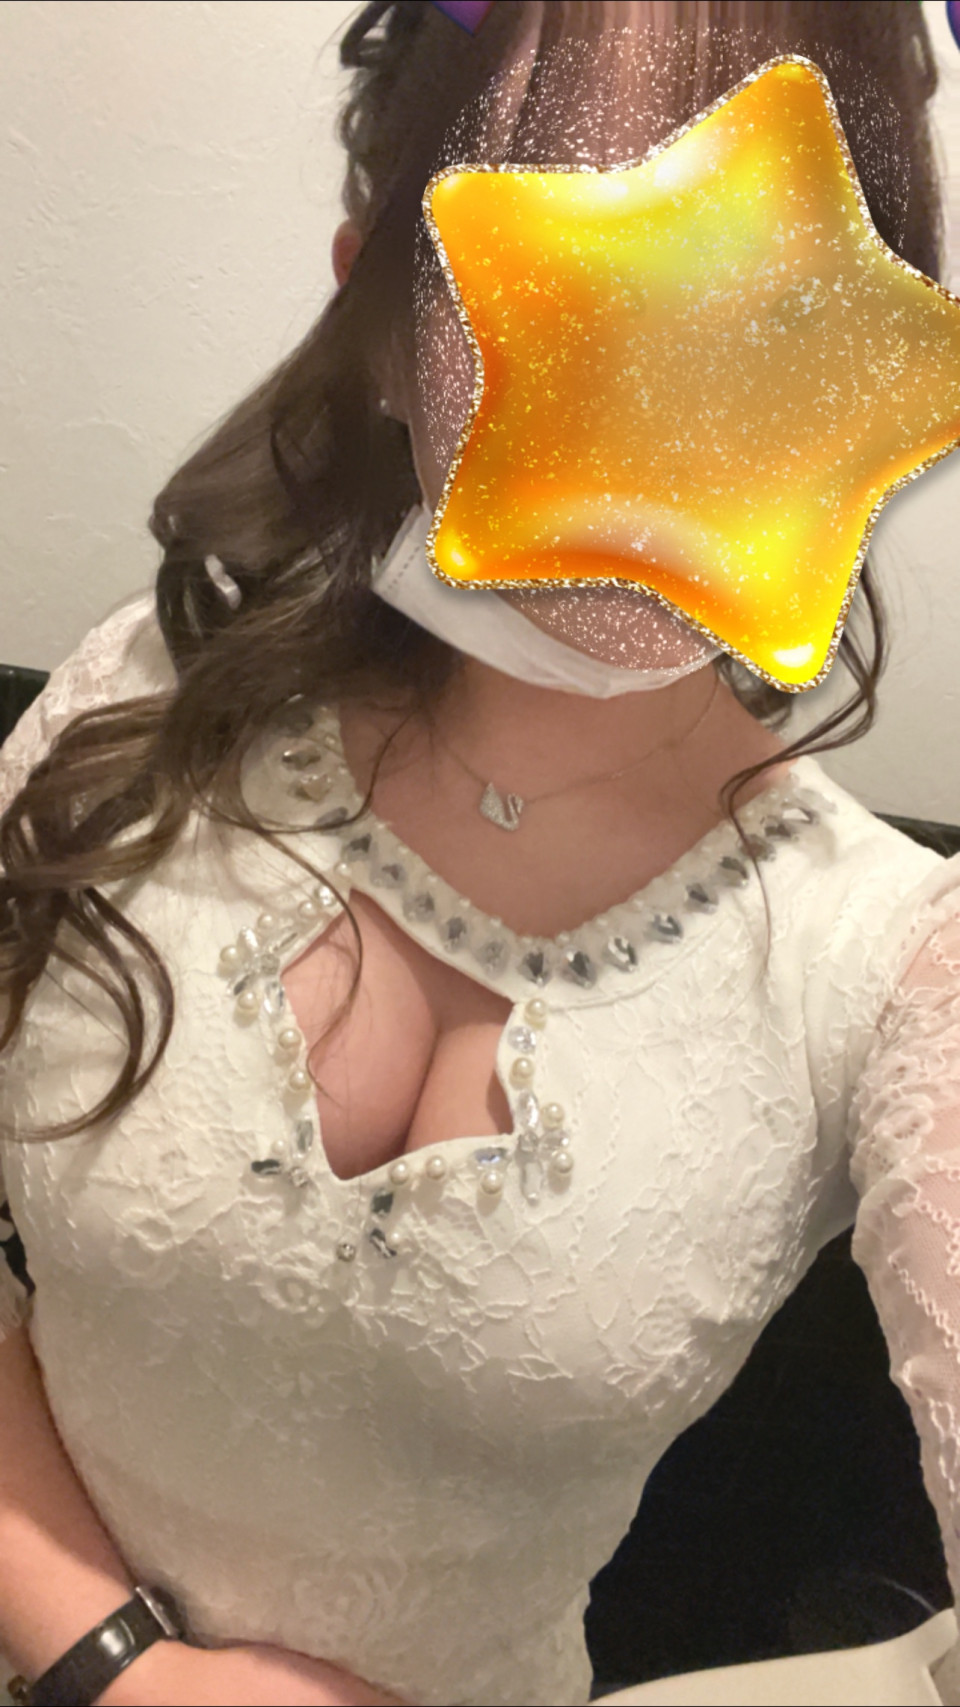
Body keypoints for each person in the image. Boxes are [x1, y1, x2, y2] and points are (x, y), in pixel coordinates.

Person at [1, 4, 959, 1705]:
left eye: (758, 311)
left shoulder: (898, 971)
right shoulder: (133, 714)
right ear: (373, 306)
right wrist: (119, 1667)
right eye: (587, 278)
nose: (663, 398)